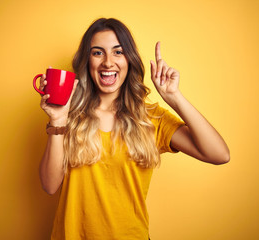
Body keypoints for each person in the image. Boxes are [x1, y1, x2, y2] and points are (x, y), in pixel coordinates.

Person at [37, 18, 230, 240]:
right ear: (87, 61)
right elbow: (50, 185)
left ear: (129, 60)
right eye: (97, 53)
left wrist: (174, 97)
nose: (108, 62)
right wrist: (58, 120)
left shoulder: (151, 118)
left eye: (118, 52)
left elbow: (219, 154)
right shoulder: (68, 114)